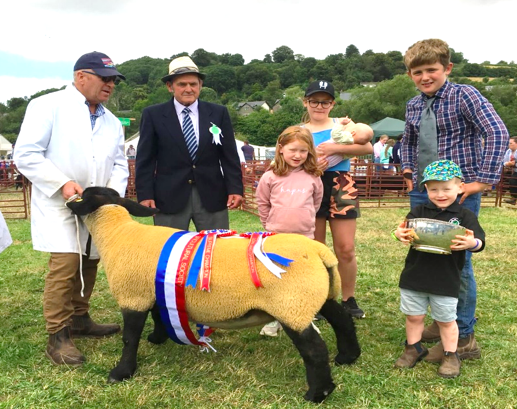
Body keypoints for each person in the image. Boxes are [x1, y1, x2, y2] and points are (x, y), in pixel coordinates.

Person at [14, 51, 129, 366]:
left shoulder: (111, 121)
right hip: (58, 202)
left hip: (96, 205)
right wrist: (62, 182)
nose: (110, 85)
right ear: (81, 76)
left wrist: (112, 194)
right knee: (65, 265)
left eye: (113, 80)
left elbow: (119, 163)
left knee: (90, 261)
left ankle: (80, 318)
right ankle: (58, 335)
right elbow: (25, 154)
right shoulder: (48, 106)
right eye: (104, 78)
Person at [401, 39, 508, 361]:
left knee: (458, 262)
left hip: (458, 192)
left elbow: (497, 133)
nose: (425, 77)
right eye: (417, 72)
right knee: (427, 253)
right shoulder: (414, 105)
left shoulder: (466, 95)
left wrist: (483, 181)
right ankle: (442, 320)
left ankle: (463, 336)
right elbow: (409, 139)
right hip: (424, 190)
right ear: (410, 74)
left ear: (446, 68)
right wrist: (408, 170)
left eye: (431, 70)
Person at [393, 160, 485, 378]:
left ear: (460, 187)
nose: (440, 194)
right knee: (414, 316)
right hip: (415, 275)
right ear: (426, 189)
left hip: (446, 278)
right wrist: (397, 235)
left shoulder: (465, 216)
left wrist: (472, 244)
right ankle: (413, 348)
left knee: (446, 320)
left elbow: (480, 241)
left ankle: (450, 354)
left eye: (446, 188)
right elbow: (402, 230)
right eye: (434, 189)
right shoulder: (418, 211)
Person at [136, 56, 243, 231]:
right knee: (170, 251)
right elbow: (145, 159)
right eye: (182, 84)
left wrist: (236, 189)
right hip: (169, 197)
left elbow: (229, 156)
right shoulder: (153, 115)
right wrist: (145, 194)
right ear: (170, 86)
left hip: (212, 196)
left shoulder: (218, 113)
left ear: (200, 85)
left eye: (193, 84)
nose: (188, 89)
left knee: (215, 250)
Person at [301, 80, 374, 318]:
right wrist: (311, 163)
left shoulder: (344, 125)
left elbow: (367, 148)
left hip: (341, 183)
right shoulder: (299, 130)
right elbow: (290, 156)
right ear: (306, 102)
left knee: (346, 248)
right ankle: (321, 298)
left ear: (332, 104)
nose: (319, 106)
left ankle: (348, 298)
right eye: (314, 101)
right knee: (317, 248)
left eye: (325, 102)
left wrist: (334, 150)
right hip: (310, 184)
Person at [256, 126, 324, 336]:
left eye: (303, 151)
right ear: (281, 149)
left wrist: (305, 220)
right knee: (277, 278)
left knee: (302, 278)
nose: (298, 155)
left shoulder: (313, 177)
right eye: (293, 149)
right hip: (276, 238)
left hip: (304, 238)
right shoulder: (270, 177)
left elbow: (316, 203)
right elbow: (263, 202)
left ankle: (305, 317)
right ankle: (275, 319)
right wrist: (270, 224)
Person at [502, 136, 517, 205]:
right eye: (509, 143)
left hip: (514, 170)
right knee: (512, 181)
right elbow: (504, 162)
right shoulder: (508, 152)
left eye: (511, 143)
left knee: (512, 180)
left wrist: (514, 164)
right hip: (513, 171)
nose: (509, 145)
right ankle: (513, 198)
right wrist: (507, 163)